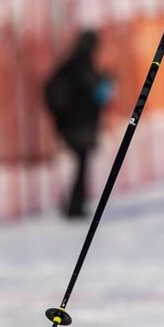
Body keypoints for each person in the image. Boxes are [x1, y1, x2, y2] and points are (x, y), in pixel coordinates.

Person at [44, 29, 111, 219]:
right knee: (81, 164)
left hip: (70, 125)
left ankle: (74, 204)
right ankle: (75, 206)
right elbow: (95, 91)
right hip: (80, 125)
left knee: (80, 164)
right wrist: (105, 82)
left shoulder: (68, 63)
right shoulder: (82, 64)